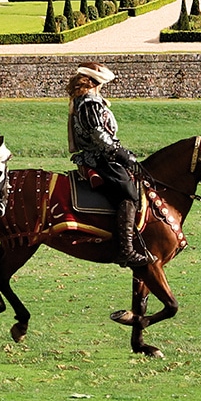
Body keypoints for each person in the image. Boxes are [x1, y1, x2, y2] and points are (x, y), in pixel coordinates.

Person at [68, 64, 153, 269]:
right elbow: (100, 136)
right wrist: (124, 156)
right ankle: (126, 251)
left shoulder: (84, 101)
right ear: (96, 82)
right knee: (129, 192)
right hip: (100, 158)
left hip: (99, 155)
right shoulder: (90, 103)